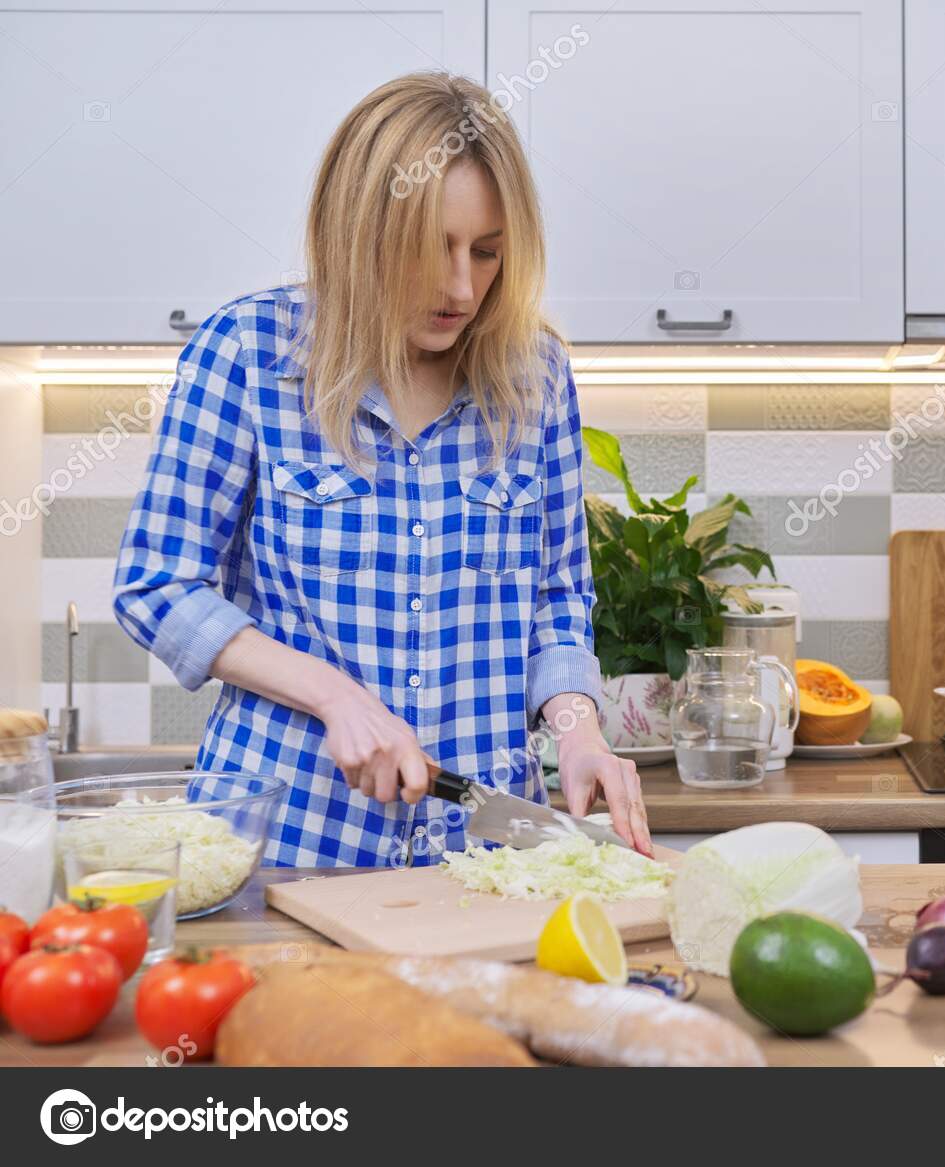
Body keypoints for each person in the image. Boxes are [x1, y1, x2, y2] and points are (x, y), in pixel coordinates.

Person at [113, 73, 650, 866]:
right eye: (430, 250)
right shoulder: (251, 353)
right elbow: (156, 584)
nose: (462, 286)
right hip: (287, 843)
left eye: (487, 252)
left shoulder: (535, 376)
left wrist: (580, 734)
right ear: (358, 233)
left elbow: (556, 597)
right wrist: (335, 696)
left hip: (487, 858)